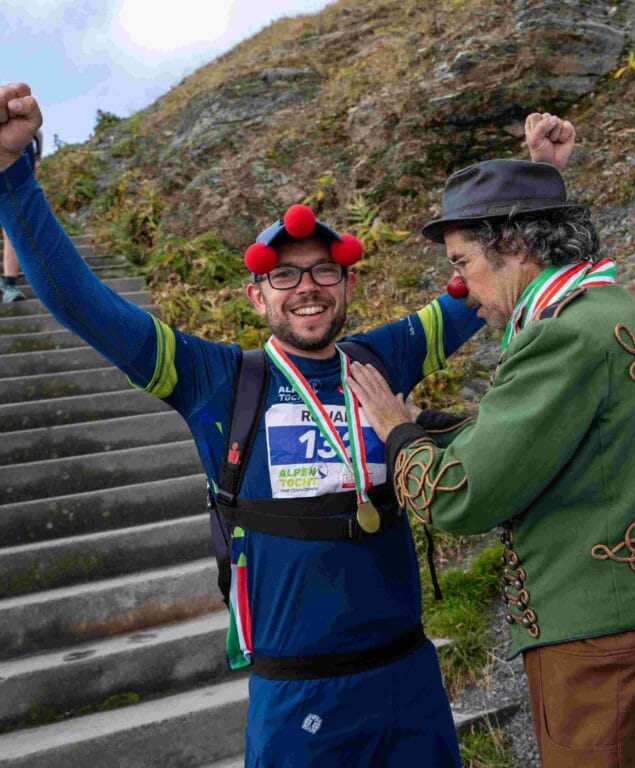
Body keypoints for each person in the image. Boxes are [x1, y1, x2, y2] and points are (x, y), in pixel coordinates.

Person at [0, 82, 572, 766]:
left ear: (348, 285)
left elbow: (491, 282)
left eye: (324, 272)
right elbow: (80, 301)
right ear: (256, 295)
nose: (307, 288)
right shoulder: (215, 380)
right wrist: (12, 173)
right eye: (284, 276)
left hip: (410, 682)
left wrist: (540, 184)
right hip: (298, 700)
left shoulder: (382, 357)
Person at [349, 158, 635, 767]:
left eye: (461, 263)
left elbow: (458, 496)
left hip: (611, 658)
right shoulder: (607, 307)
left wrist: (397, 433)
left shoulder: (561, 333)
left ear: (514, 245)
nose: (458, 287)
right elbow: (556, 447)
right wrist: (430, 424)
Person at [1, 128, 40, 301]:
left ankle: (9, 284)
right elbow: (37, 134)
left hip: (19, 152)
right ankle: (8, 285)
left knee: (12, 226)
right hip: (20, 149)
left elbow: (37, 134)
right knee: (12, 226)